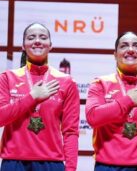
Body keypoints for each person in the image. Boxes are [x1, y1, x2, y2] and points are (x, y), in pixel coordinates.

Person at [0, 22, 80, 171]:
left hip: (51, 163)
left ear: (50, 45)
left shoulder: (66, 82)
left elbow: (70, 132)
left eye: (42, 37)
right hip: (13, 162)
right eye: (31, 37)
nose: (37, 40)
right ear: (23, 46)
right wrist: (31, 97)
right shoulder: (7, 78)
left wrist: (71, 169)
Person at [85, 31, 137, 171]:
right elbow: (93, 117)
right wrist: (128, 100)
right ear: (115, 54)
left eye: (136, 46)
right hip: (109, 166)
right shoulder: (100, 83)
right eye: (124, 46)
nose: (130, 50)